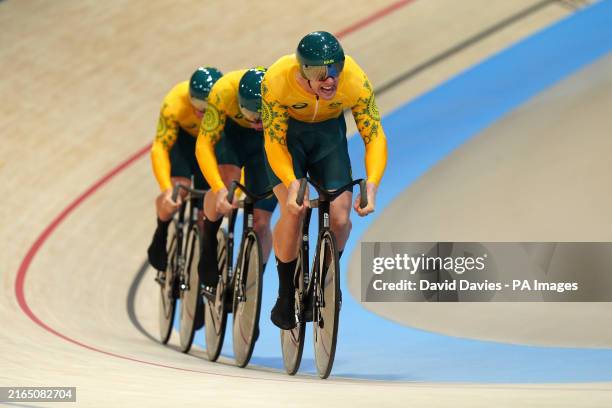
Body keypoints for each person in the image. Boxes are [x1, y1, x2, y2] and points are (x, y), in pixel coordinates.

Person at [261, 31, 388, 329]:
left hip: (327, 140)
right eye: (321, 73)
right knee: (294, 208)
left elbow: (374, 134)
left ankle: (325, 280)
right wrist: (292, 182)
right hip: (288, 141)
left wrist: (372, 183)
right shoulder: (277, 79)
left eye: (335, 70)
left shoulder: (354, 79)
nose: (330, 79)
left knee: (341, 219)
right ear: (303, 71)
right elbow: (274, 141)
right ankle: (284, 291)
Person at [196, 67, 277, 300]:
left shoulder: (281, 92)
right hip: (232, 137)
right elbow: (203, 146)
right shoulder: (222, 92)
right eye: (251, 115)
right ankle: (209, 241)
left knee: (261, 223)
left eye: (261, 116)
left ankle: (252, 288)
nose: (256, 122)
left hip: (266, 143)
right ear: (239, 104)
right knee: (227, 186)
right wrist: (219, 189)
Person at [147, 67, 223, 274]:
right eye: (196, 103)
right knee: (178, 189)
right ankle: (161, 232)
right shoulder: (175, 102)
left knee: (206, 212)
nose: (200, 111)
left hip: (210, 147)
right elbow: (160, 147)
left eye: (206, 106)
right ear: (188, 96)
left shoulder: (227, 105)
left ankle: (201, 258)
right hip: (184, 144)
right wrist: (165, 188)